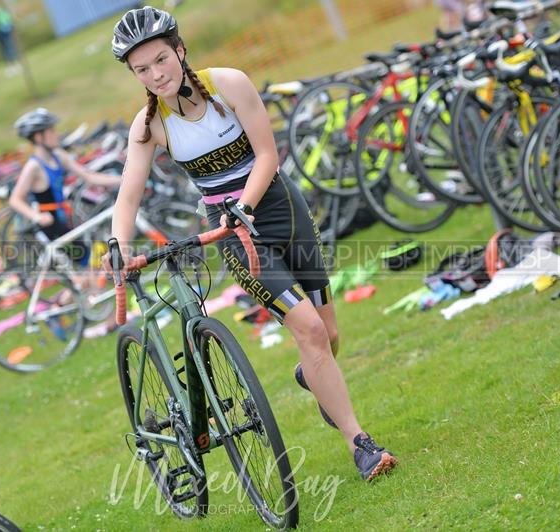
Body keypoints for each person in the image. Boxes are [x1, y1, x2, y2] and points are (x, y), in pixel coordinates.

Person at [106, 6, 397, 481]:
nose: (156, 74)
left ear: (180, 50)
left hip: (282, 210)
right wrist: (117, 244)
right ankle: (360, 443)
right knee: (310, 331)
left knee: (330, 334)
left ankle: (314, 377)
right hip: (234, 235)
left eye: (161, 59)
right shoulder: (149, 126)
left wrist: (245, 201)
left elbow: (267, 154)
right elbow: (128, 195)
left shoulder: (230, 84)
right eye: (142, 69)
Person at [9, 108, 121, 282]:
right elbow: (15, 199)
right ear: (39, 137)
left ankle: (75, 300)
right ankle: (79, 300)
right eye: (51, 131)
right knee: (89, 265)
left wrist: (123, 180)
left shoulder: (58, 156)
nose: (56, 134)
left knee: (89, 267)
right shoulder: (33, 166)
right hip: (51, 225)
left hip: (64, 220)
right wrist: (36, 216)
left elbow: (89, 176)